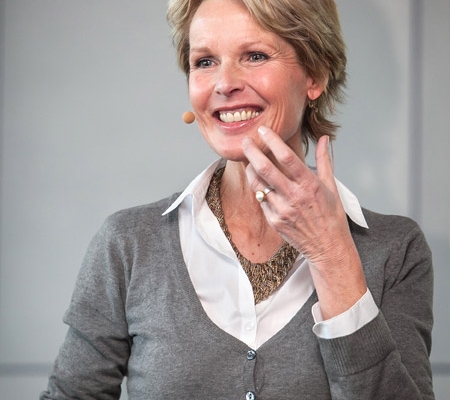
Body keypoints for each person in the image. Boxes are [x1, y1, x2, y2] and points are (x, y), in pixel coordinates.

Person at [40, 0, 435, 399]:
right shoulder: (128, 243)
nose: (224, 83)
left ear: (315, 75)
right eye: (205, 62)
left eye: (255, 55)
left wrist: (331, 255)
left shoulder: (396, 250)